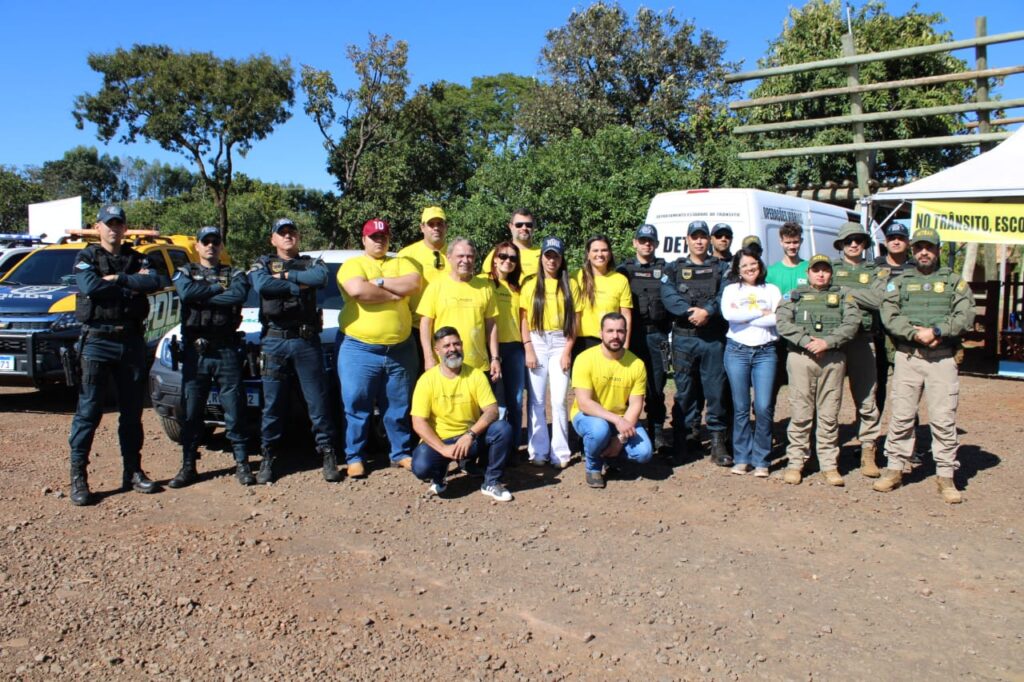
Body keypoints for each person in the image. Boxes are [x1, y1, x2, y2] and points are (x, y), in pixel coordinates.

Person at [68, 205, 166, 506]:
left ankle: (133, 471)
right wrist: (129, 284)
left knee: (132, 413)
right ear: (98, 227)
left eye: (118, 223)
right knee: (89, 411)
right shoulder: (86, 257)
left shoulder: (138, 258)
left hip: (131, 341)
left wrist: (118, 281)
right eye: (108, 223)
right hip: (97, 341)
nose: (113, 228)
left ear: (125, 228)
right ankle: (78, 478)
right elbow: (90, 287)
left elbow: (155, 282)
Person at [874, 227, 975, 503]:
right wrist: (914, 333)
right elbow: (889, 314)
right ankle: (894, 469)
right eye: (919, 247)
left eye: (929, 247)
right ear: (912, 250)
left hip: (942, 358)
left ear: (938, 250)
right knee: (902, 417)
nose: (924, 252)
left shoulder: (954, 282)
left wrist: (938, 331)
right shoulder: (900, 281)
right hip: (909, 357)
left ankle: (946, 476)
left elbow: (966, 315)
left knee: (943, 419)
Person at [249, 218, 339, 484]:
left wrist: (286, 276)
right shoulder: (262, 264)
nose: (288, 236)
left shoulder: (313, 262)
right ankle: (268, 456)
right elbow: (261, 285)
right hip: (274, 341)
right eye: (282, 233)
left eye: (292, 232)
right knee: (272, 404)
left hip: (305, 341)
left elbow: (320, 278)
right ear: (273, 239)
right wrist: (297, 285)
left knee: (318, 403)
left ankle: (328, 453)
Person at [336, 218, 422, 477]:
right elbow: (358, 291)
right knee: (356, 404)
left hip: (400, 348)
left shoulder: (401, 261)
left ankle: (401, 453)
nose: (379, 241)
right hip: (359, 349)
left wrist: (380, 283)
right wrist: (395, 294)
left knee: (398, 406)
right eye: (373, 237)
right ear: (364, 239)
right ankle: (355, 457)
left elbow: (413, 284)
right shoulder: (353, 264)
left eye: (383, 237)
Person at [169, 226, 253, 488]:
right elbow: (186, 294)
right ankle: (188, 466)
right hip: (196, 351)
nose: (211, 246)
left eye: (215, 242)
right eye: (206, 242)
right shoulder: (185, 272)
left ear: (221, 246)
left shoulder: (235, 273)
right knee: (192, 411)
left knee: (234, 409)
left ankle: (242, 464)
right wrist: (217, 289)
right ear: (197, 245)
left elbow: (237, 295)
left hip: (226, 349)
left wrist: (204, 294)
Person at [775, 255, 863, 486]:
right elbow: (782, 322)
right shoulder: (794, 295)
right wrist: (806, 340)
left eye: (825, 270)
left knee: (829, 414)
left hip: (832, 359)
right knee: (801, 412)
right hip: (801, 358)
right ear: (809, 273)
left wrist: (828, 342)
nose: (821, 274)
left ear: (831, 273)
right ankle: (796, 462)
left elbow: (852, 323)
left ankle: (829, 464)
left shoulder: (844, 295)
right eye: (816, 270)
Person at [410, 327, 514, 501]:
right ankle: (439, 477)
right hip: (441, 440)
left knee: (502, 429)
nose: (452, 349)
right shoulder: (426, 380)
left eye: (456, 344)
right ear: (437, 351)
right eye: (446, 346)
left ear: (462, 346)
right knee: (421, 467)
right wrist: (443, 448)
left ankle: (491, 481)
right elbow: (418, 422)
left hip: (470, 439)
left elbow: (492, 410)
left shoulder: (475, 375)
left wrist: (470, 435)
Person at [660, 220, 730, 465]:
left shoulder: (721, 268)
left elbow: (726, 294)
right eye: (695, 236)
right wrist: (691, 313)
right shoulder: (674, 268)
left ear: (709, 240)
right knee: (685, 391)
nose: (699, 241)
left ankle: (718, 444)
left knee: (715, 391)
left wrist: (708, 311)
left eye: (703, 236)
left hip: (712, 339)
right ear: (686, 239)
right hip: (684, 338)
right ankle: (683, 439)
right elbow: (667, 295)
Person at [830, 222, 888, 478]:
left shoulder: (877, 272)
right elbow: (823, 294)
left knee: (866, 400)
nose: (854, 244)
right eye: (849, 240)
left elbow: (879, 300)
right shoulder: (829, 269)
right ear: (841, 245)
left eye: (859, 240)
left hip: (863, 340)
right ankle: (827, 453)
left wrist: (844, 291)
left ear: (865, 244)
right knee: (829, 401)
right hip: (834, 341)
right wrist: (860, 294)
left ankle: (868, 451)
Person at [520, 236, 582, 468]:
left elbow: (575, 321)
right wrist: (528, 348)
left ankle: (560, 452)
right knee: (536, 400)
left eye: (555, 255)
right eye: (548, 255)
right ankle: (538, 451)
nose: (551, 260)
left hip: (560, 342)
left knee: (558, 400)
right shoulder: (530, 285)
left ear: (561, 258)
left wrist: (567, 350)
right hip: (536, 340)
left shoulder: (571, 285)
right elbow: (524, 320)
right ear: (542, 257)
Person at [571, 313, 653, 488]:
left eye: (620, 331)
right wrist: (617, 421)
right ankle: (593, 466)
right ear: (601, 333)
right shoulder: (584, 358)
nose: (615, 336)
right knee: (599, 430)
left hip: (622, 420)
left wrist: (620, 439)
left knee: (644, 453)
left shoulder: (636, 364)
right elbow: (584, 403)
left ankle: (609, 454)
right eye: (610, 331)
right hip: (588, 416)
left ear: (625, 333)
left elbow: (636, 404)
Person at [720, 248, 782, 477]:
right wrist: (760, 311)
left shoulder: (772, 290)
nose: (749, 268)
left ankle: (762, 459)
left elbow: (777, 317)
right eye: (744, 265)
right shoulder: (730, 290)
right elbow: (729, 315)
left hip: (765, 352)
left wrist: (745, 313)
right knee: (741, 407)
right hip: (737, 351)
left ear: (760, 265)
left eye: (753, 264)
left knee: (764, 406)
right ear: (737, 268)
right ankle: (742, 457)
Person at [617, 224, 671, 449]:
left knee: (656, 388)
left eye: (650, 241)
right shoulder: (624, 271)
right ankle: (623, 430)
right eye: (642, 240)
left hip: (656, 336)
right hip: (631, 337)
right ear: (634, 243)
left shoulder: (666, 270)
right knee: (623, 386)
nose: (646, 244)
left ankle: (657, 431)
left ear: (656, 244)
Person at [417, 238, 499, 380]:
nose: (465, 260)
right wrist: (428, 357)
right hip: (444, 365)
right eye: (460, 256)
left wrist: (495, 358)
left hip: (478, 367)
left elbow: (491, 326)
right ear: (449, 257)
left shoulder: (485, 287)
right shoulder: (436, 286)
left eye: (470, 256)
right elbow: (425, 324)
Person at [765, 221, 808, 438]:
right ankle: (766, 432)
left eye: (796, 242)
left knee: (802, 391)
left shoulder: (808, 268)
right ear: (781, 242)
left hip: (801, 340)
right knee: (770, 390)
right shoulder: (771, 272)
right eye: (788, 242)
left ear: (801, 241)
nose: (792, 246)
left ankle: (802, 434)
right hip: (776, 340)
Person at [486, 240, 527, 450]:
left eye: (512, 258)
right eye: (503, 256)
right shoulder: (482, 283)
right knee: (493, 402)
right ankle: (493, 447)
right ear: (494, 259)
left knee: (516, 401)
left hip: (514, 348)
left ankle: (511, 449)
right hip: (489, 348)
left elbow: (522, 320)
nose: (507, 261)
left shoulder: (517, 288)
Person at [873, 222, 916, 415]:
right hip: (879, 334)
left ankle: (909, 428)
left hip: (907, 334)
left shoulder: (916, 268)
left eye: (900, 238)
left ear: (908, 242)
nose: (896, 242)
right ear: (886, 242)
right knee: (876, 383)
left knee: (909, 384)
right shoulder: (875, 266)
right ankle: (872, 432)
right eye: (892, 238)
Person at [398, 206, 451, 354]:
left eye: (440, 224)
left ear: (446, 226)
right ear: (422, 227)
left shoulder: (457, 252)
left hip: (450, 328)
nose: (436, 228)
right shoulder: (407, 255)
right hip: (415, 328)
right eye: (431, 224)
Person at [573, 234, 633, 357]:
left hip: (610, 342)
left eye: (604, 250)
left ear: (610, 254)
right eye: (595, 250)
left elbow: (626, 315)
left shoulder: (620, 280)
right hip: (581, 343)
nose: (600, 254)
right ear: (588, 254)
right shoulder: (575, 277)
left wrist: (625, 347)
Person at [482, 209, 542, 280]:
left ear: (534, 227)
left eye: (528, 225)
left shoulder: (545, 255)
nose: (524, 228)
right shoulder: (499, 253)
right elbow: (485, 283)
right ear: (511, 226)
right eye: (519, 225)